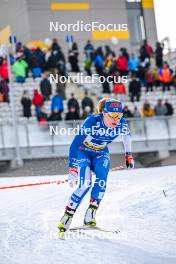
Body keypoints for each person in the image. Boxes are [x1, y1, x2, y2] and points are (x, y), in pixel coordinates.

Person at [58, 98, 134, 234]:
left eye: (120, 115)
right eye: (113, 115)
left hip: (100, 153)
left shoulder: (121, 123)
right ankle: (67, 216)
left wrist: (128, 155)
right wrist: (73, 169)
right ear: (104, 113)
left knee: (102, 177)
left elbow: (126, 136)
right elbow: (75, 144)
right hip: (83, 152)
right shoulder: (92, 121)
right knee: (85, 184)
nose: (116, 120)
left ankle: (90, 214)